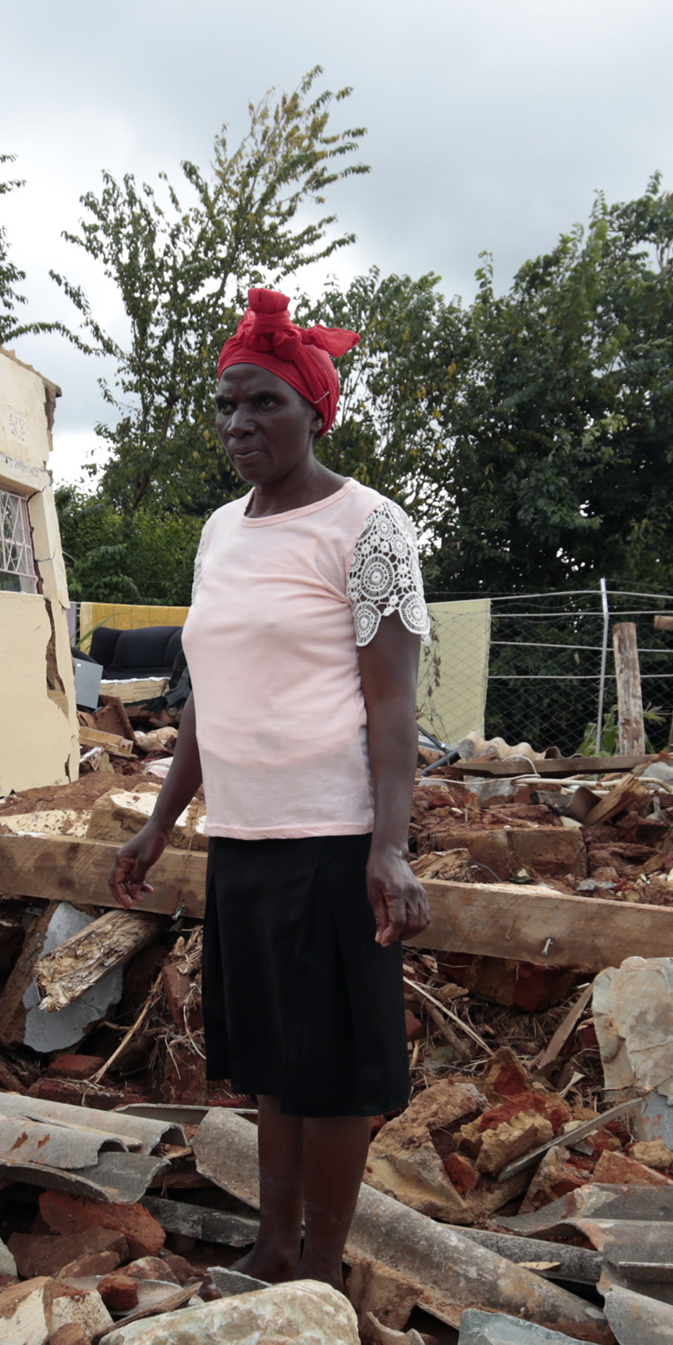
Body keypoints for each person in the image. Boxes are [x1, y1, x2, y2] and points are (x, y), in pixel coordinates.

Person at [109, 286, 432, 1288]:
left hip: (334, 837)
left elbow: (393, 702)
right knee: (273, 1066)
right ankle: (275, 1246)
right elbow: (210, 694)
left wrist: (390, 845)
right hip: (244, 839)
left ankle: (320, 1275)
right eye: (227, 406)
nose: (239, 424)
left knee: (330, 1072)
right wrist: (162, 822)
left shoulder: (370, 527)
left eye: (265, 403)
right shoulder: (220, 531)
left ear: (314, 411)